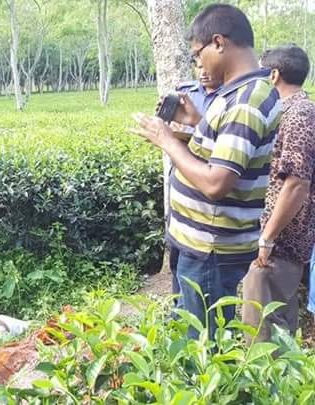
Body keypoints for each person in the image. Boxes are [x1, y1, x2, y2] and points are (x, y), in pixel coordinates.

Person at [131, 4, 281, 337]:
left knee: (201, 346)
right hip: (204, 245)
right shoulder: (239, 94)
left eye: (198, 54)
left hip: (213, 250)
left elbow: (217, 182)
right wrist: (195, 124)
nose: (198, 64)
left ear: (219, 42)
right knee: (194, 332)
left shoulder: (245, 102)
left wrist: (167, 141)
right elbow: (228, 150)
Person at [241, 45, 315, 342]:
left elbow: (296, 184)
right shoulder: (291, 111)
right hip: (277, 242)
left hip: (280, 245)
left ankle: (270, 389)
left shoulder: (298, 115)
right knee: (266, 324)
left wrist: (267, 238)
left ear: (273, 76)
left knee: (266, 334)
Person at [168, 69, 223, 300]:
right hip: (181, 179)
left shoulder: (227, 100)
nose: (203, 71)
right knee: (177, 256)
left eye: (205, 63)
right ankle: (177, 310)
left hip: (207, 184)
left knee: (201, 278)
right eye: (197, 65)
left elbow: (220, 144)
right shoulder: (185, 92)